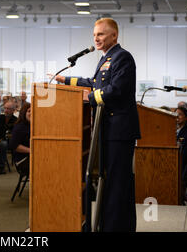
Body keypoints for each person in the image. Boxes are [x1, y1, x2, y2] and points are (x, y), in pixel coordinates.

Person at [51, 17, 140, 232]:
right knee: (109, 180)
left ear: (114, 35)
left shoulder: (122, 57)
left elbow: (116, 90)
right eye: (94, 35)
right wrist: (67, 81)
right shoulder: (106, 58)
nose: (96, 38)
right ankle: (111, 225)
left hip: (119, 130)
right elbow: (95, 83)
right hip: (107, 129)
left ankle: (116, 227)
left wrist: (88, 99)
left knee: (119, 182)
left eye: (100, 34)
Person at [0, 100, 17, 174]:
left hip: (8, 141)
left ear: (13, 110)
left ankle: (1, 167)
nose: (6, 110)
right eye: (5, 108)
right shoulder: (0, 117)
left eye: (8, 109)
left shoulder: (16, 121)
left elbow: (10, 136)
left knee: (3, 144)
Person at [9, 102, 31, 176]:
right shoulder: (20, 127)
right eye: (29, 111)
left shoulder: (34, 126)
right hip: (23, 161)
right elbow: (14, 145)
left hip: (32, 158)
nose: (31, 113)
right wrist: (31, 151)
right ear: (23, 113)